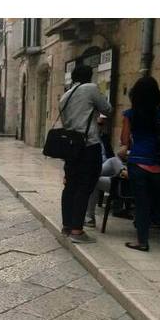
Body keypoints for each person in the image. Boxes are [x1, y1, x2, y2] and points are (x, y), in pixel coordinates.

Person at [120, 76, 160, 252]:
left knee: (142, 204)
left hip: (138, 163)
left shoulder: (130, 114)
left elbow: (124, 141)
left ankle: (142, 242)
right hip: (159, 164)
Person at [59, 64, 113, 244]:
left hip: (71, 146)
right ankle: (77, 230)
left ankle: (67, 226)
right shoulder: (90, 88)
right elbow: (107, 109)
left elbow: (67, 122)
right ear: (90, 76)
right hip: (89, 145)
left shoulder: (65, 96)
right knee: (85, 185)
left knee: (70, 185)